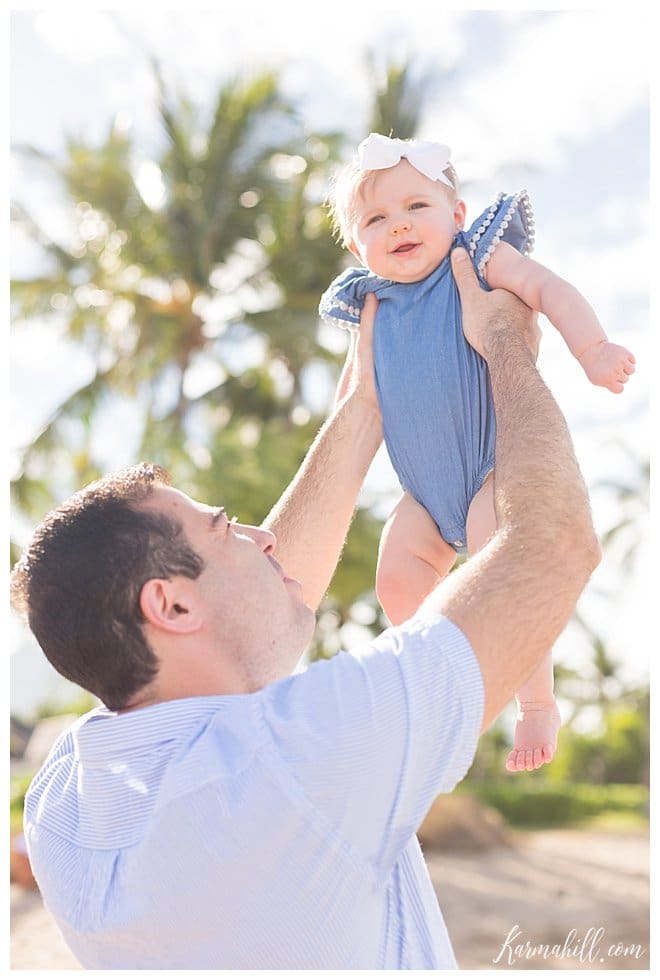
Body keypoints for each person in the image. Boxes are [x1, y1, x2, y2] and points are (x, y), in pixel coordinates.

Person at [10, 254, 600, 970]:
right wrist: (508, 345)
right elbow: (554, 542)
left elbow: (246, 628)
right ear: (169, 602)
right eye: (226, 527)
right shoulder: (301, 762)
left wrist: (364, 409)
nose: (263, 537)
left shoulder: (65, 805)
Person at [320, 132, 635, 772]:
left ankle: (537, 703)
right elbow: (353, 394)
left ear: (456, 215)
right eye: (376, 219)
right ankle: (445, 695)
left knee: (501, 565)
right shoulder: (371, 303)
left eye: (417, 207)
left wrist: (593, 350)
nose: (399, 225)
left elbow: (548, 289)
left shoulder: (478, 257)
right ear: (358, 247)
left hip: (494, 470)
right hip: (423, 495)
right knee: (396, 582)